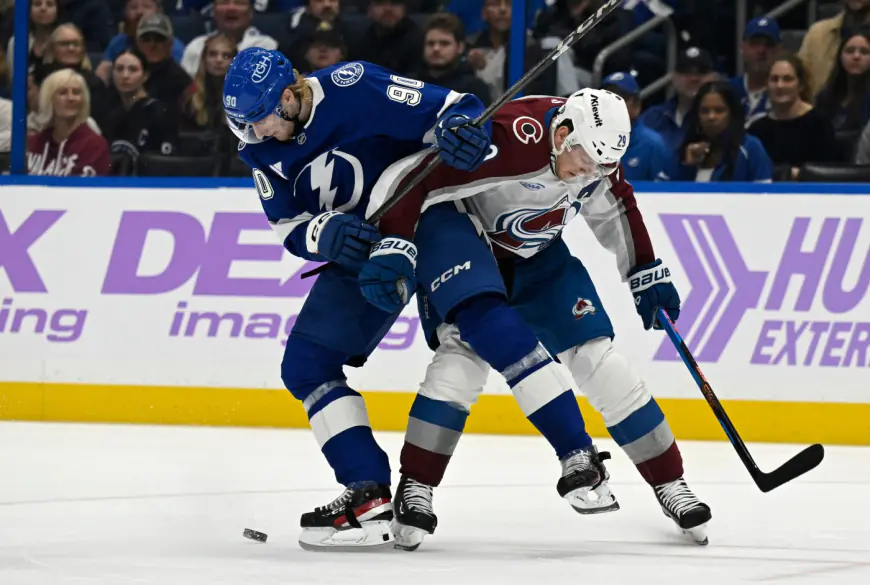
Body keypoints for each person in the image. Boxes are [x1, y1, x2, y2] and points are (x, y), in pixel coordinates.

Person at [223, 48, 610, 551]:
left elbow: (456, 106)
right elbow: (287, 224)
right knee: (305, 364)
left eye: (262, 120)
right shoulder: (258, 149)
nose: (257, 134)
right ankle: (367, 496)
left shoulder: (352, 84)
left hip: (428, 217)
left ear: (290, 94)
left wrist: (461, 132)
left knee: (483, 318)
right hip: (363, 250)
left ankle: (577, 454)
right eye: (246, 126)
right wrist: (324, 232)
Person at [365, 89, 710, 551]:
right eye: (587, 162)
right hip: (470, 247)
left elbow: (616, 202)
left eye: (604, 165)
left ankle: (670, 482)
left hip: (540, 257)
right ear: (561, 133)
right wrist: (395, 241)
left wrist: (644, 270)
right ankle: (417, 484)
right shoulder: (507, 136)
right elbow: (412, 176)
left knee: (599, 360)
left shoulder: (595, 150)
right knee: (459, 363)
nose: (592, 175)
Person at [748, 53, 841, 180]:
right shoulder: (757, 129)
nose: (780, 85)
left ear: (801, 85)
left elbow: (829, 174)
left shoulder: (820, 124)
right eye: (774, 79)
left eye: (787, 79)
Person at [661, 80, 773, 182]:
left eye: (719, 110)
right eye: (705, 111)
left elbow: (765, 196)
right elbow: (660, 194)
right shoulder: (684, 150)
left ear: (732, 114)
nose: (711, 117)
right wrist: (687, 167)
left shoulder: (750, 149)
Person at [27, 68, 109, 176]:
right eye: (63, 93)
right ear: (49, 99)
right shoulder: (34, 143)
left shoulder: (94, 145)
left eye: (76, 92)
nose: (71, 98)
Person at [600, 71, 667, 181]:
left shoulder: (652, 145)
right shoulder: (586, 141)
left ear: (637, 106)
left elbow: (664, 193)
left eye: (619, 99)